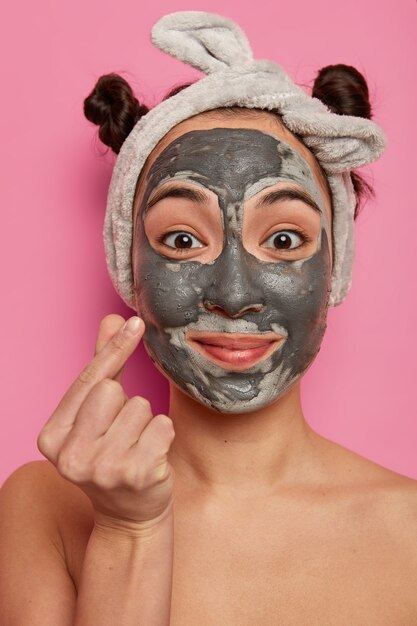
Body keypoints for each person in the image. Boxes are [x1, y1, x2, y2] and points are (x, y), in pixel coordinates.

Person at [1, 10, 416, 625]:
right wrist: (127, 529)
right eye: (182, 241)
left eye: (282, 240)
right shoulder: (44, 505)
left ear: (336, 267)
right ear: (128, 267)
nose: (233, 293)